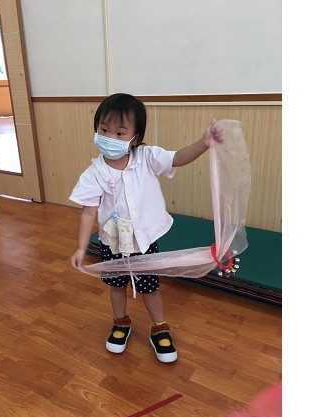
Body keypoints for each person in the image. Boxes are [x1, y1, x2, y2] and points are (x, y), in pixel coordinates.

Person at [69, 93, 224, 363]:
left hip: (144, 241)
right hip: (112, 243)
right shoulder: (93, 174)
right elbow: (88, 211)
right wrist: (82, 247)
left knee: (150, 287)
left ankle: (159, 328)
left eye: (119, 133)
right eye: (104, 130)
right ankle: (121, 322)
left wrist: (203, 144)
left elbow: (177, 158)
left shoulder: (147, 157)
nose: (110, 138)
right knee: (116, 286)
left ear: (135, 138)